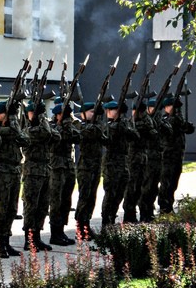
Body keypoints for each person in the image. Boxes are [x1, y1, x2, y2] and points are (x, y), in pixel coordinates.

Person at [0, 101, 26, 264]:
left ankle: (7, 241)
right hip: (2, 172)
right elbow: (13, 132)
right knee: (3, 208)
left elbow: (23, 137)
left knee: (12, 208)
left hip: (14, 171)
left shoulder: (12, 128)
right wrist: (12, 117)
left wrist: (13, 116)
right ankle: (1, 244)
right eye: (6, 113)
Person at [22, 102, 56, 252]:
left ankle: (37, 237)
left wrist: (42, 117)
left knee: (42, 206)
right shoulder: (28, 130)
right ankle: (29, 239)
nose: (34, 116)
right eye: (32, 113)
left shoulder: (43, 127)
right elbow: (47, 134)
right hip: (32, 171)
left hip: (45, 169)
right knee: (31, 206)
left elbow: (56, 135)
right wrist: (42, 119)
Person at [101, 100, 139, 226]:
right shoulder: (107, 125)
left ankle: (112, 216)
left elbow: (135, 136)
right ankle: (106, 222)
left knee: (120, 193)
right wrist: (117, 126)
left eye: (110, 110)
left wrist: (124, 126)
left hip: (123, 163)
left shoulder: (124, 124)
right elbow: (106, 139)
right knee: (110, 193)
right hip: (111, 164)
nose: (107, 112)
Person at [48, 102, 80, 246]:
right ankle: (55, 233)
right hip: (56, 167)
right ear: (57, 115)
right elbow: (59, 137)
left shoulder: (69, 126)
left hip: (68, 166)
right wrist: (64, 124)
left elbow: (77, 136)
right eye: (63, 115)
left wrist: (68, 122)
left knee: (66, 201)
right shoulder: (52, 127)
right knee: (56, 201)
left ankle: (61, 230)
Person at [157, 94, 195, 214]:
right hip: (167, 157)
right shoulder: (166, 120)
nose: (174, 109)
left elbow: (189, 128)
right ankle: (163, 207)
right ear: (165, 107)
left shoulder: (178, 119)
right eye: (171, 106)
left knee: (173, 183)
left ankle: (169, 205)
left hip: (177, 156)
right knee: (166, 183)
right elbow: (175, 123)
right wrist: (178, 113)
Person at [74, 102, 107, 239]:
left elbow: (101, 132)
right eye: (91, 112)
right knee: (84, 196)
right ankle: (79, 226)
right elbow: (86, 133)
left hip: (95, 165)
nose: (94, 114)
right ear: (83, 113)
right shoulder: (79, 126)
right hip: (85, 167)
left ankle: (86, 225)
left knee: (92, 197)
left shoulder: (97, 125)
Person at [138, 99, 163, 222]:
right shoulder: (145, 122)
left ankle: (150, 211)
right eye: (152, 108)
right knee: (146, 188)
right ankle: (144, 213)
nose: (154, 110)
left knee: (154, 188)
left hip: (157, 159)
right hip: (148, 159)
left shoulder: (158, 121)